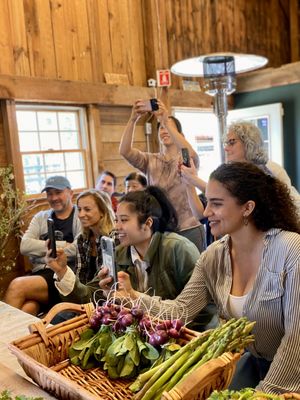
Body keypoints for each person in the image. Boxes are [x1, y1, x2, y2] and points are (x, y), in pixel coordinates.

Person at [109, 162, 300, 394]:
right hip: (252, 365)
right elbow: (181, 311)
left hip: (291, 376)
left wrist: (263, 394)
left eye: (216, 204)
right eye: (207, 201)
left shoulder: (291, 250)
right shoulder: (213, 256)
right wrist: (132, 296)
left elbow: (295, 338)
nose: (206, 211)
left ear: (247, 208)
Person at [46, 186, 205, 327]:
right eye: (116, 220)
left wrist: (132, 297)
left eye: (124, 220)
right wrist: (62, 271)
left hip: (180, 337)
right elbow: (87, 297)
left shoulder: (178, 249)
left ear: (147, 223)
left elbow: (200, 310)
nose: (117, 227)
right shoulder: (120, 252)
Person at [119, 99, 205, 252]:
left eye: (168, 128)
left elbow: (190, 153)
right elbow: (125, 151)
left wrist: (165, 119)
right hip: (162, 230)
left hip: (189, 228)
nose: (164, 130)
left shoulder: (185, 159)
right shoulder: (150, 160)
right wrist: (133, 119)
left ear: (180, 135)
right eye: (161, 128)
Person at [181, 121, 300, 216]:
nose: (226, 148)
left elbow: (233, 196)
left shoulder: (269, 169)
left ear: (249, 143)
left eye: (231, 142)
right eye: (225, 143)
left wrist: (194, 179)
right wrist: (188, 182)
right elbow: (200, 214)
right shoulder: (227, 173)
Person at [4, 176, 81, 315]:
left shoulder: (80, 216)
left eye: (58, 192)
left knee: (17, 285)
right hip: (40, 275)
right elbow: (25, 246)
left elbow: (78, 249)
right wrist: (62, 246)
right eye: (49, 193)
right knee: (28, 308)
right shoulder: (40, 217)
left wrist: (39, 255)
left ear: (71, 193)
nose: (53, 197)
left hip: (64, 277)